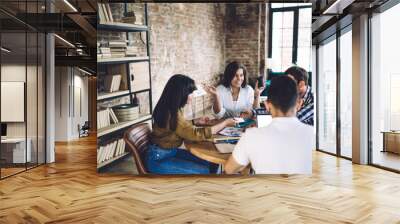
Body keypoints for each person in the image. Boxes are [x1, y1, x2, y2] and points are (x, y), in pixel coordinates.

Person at [224, 76, 314, 174]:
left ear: (267, 105)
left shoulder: (251, 136)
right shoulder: (313, 137)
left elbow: (229, 169)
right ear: (299, 103)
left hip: (263, 188)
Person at [148, 74, 236, 174]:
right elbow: (195, 134)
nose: (192, 96)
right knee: (204, 171)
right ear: (181, 93)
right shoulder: (172, 114)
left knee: (212, 163)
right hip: (159, 159)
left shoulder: (169, 108)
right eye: (190, 93)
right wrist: (224, 123)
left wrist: (195, 121)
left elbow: (178, 126)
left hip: (169, 152)